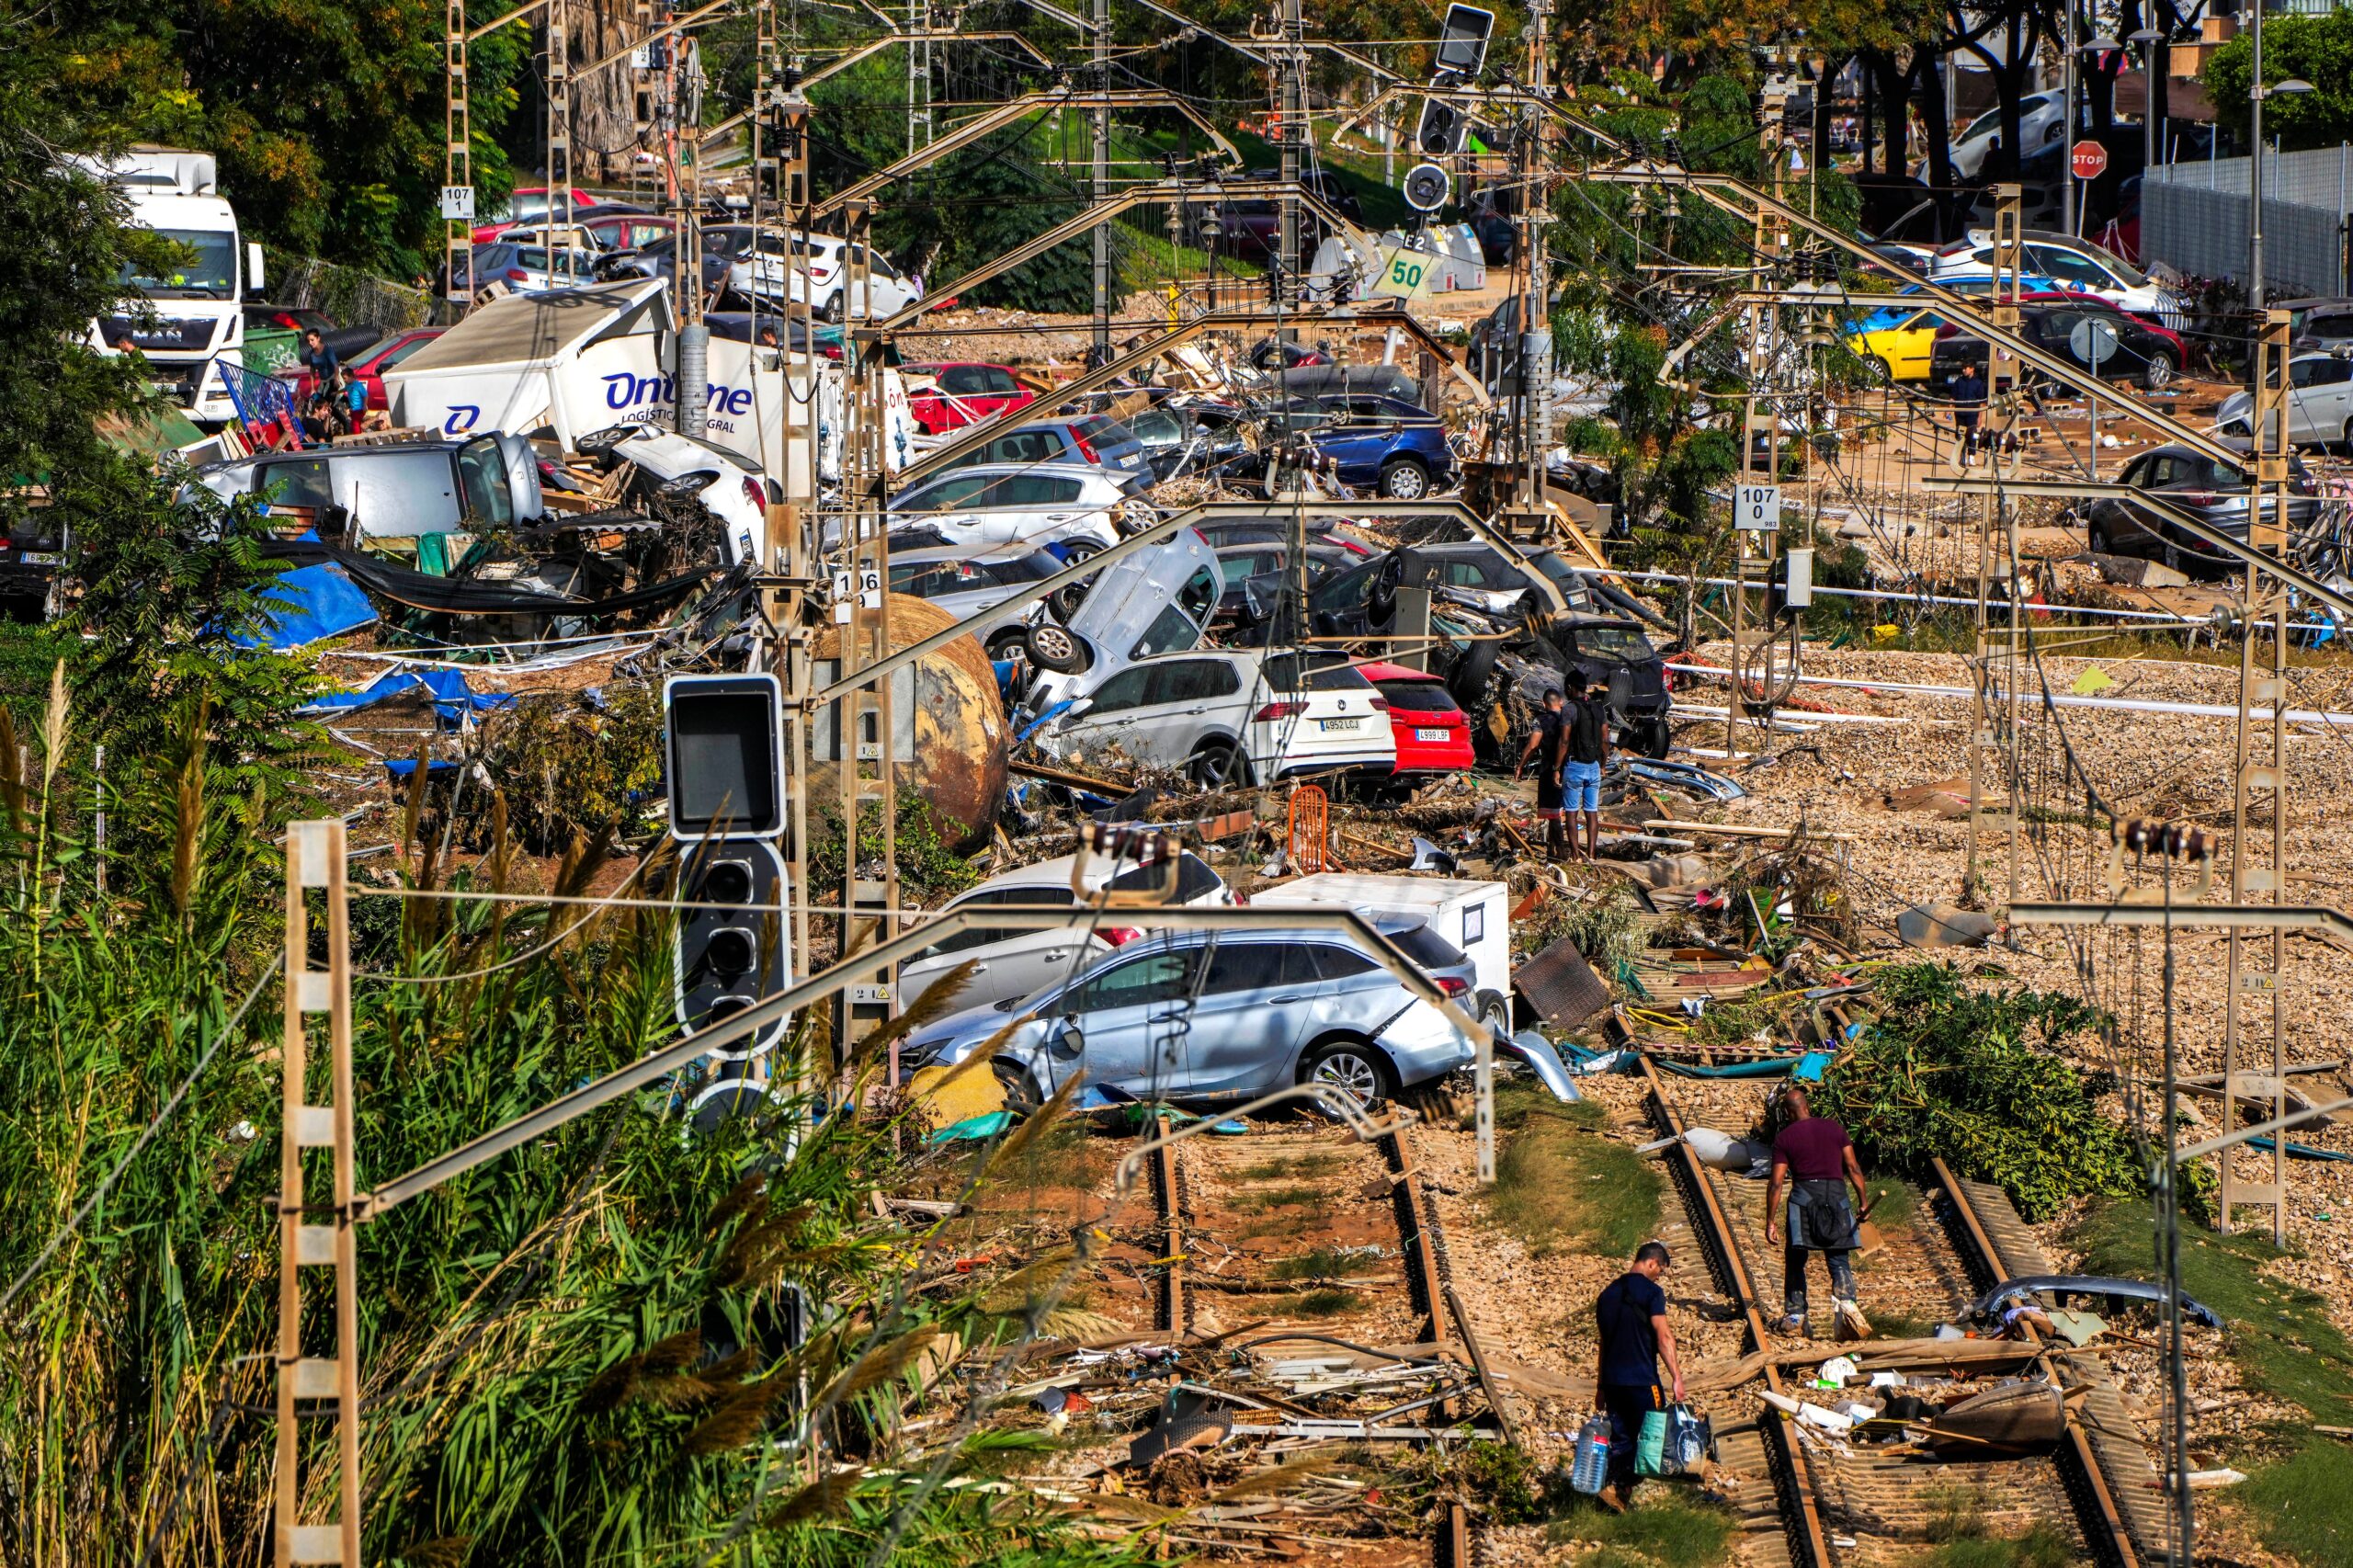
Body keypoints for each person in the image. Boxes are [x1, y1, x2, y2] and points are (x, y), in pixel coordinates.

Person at [1763, 1086, 1870, 1335]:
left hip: (1803, 1199)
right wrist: (1863, 1201)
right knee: (1838, 1257)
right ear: (1807, 1106)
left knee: (1796, 1258)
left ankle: (1796, 1317)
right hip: (1836, 1196)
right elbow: (1853, 1167)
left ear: (1789, 1113)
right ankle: (1848, 1310)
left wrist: (1770, 1221)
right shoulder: (1835, 1129)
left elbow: (1776, 1182)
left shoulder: (1785, 1138)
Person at [1593, 1240, 1685, 1511]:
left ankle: (1616, 1495)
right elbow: (1664, 1336)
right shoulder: (1651, 1293)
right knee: (1654, 1441)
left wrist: (1600, 1387)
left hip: (1612, 1382)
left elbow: (1604, 1344)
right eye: (1661, 1270)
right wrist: (1676, 1377)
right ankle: (1614, 1483)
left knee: (1623, 1441)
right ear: (1651, 1263)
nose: (1660, 1276)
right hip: (1642, 1381)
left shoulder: (1607, 1294)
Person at [1561, 672, 1610, 862]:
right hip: (1594, 766)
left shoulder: (1569, 710)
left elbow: (1564, 741)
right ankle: (1591, 855)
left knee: (1571, 813)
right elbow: (1605, 739)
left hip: (1575, 765)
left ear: (1571, 688)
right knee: (1592, 813)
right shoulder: (1599, 709)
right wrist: (1603, 764)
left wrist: (1557, 768)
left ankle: (1575, 856)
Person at [1514, 687, 1568, 858]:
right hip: (1573, 768)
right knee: (1565, 812)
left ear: (1544, 704)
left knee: (1553, 814)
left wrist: (1520, 765)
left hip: (1551, 770)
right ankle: (1554, 850)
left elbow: (1533, 745)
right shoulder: (1570, 718)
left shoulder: (1541, 720)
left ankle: (1560, 852)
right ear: (1561, 702)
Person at [1949, 360, 1986, 460]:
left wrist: (1980, 416)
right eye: (1963, 368)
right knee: (1960, 435)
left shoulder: (1978, 383)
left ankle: (1971, 455)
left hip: (1972, 414)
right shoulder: (1959, 381)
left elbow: (1981, 402)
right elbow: (1953, 397)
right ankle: (1962, 456)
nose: (1964, 370)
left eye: (1966, 368)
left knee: (1972, 435)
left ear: (1972, 369)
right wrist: (1948, 409)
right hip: (1960, 413)